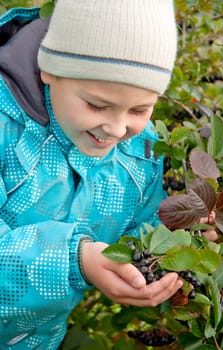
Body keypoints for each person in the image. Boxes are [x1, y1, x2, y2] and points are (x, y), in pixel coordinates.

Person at [0, 0, 192, 348]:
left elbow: (141, 229)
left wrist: (178, 243)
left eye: (140, 109)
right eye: (98, 105)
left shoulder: (141, 151)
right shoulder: (5, 130)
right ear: (50, 70)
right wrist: (74, 260)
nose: (117, 129)